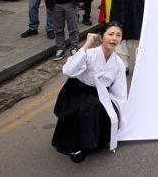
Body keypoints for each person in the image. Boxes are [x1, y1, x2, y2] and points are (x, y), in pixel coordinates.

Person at [51, 23, 127, 163]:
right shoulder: (90, 54)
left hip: (99, 93)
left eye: (118, 35)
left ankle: (95, 140)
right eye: (110, 34)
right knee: (90, 106)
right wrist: (87, 44)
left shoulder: (119, 63)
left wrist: (120, 117)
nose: (114, 38)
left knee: (107, 108)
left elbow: (119, 92)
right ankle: (76, 146)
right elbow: (68, 70)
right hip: (77, 90)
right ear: (101, 37)